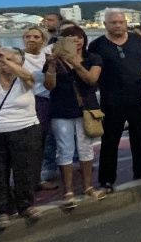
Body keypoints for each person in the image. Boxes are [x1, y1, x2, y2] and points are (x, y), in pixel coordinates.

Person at [0, 47, 43, 228]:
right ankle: (2, 211)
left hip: (25, 130)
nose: (3, 63)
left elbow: (29, 78)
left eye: (9, 60)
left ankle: (26, 206)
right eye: (0, 60)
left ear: (19, 63)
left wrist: (7, 61)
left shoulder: (25, 80)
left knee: (25, 171)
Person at [89, 9, 141, 189]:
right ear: (105, 25)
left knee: (140, 136)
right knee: (110, 140)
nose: (118, 25)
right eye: (113, 22)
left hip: (137, 97)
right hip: (111, 100)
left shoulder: (137, 40)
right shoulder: (97, 45)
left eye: (121, 22)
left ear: (126, 23)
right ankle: (107, 178)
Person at [44, 25, 105, 208]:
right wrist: (53, 65)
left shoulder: (92, 58)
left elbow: (91, 80)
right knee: (65, 149)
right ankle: (68, 191)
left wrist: (75, 63)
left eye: (78, 37)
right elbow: (49, 85)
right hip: (61, 109)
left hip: (86, 108)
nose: (75, 41)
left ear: (84, 39)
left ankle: (88, 187)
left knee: (86, 148)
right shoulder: (54, 59)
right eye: (69, 38)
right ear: (62, 41)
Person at [20, 25, 59, 189]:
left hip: (44, 102)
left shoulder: (47, 56)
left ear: (43, 40)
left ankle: (44, 174)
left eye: (36, 37)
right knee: (27, 142)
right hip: (25, 102)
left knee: (46, 139)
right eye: (28, 36)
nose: (31, 39)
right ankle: (29, 179)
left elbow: (51, 83)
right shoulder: (18, 56)